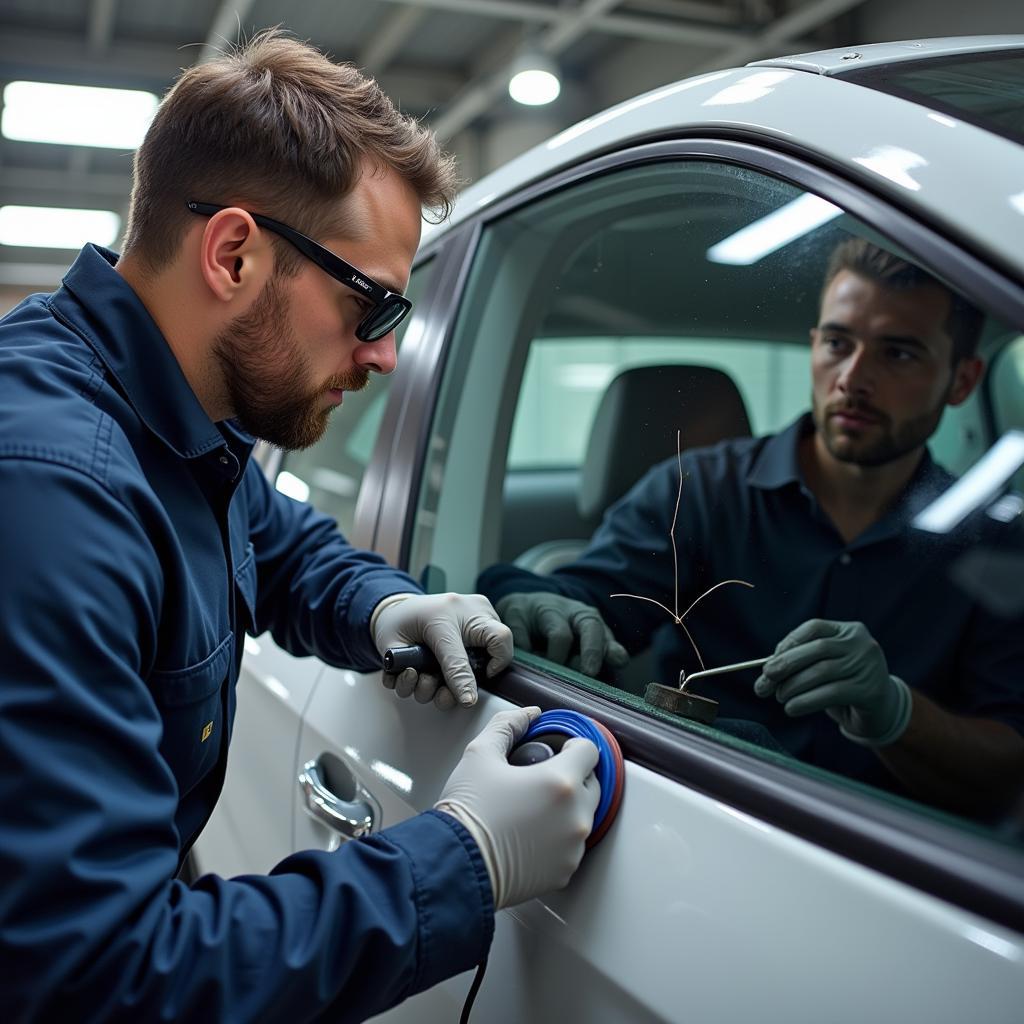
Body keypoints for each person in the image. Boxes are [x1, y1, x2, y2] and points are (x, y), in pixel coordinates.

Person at [0, 30, 601, 1023]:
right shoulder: (49, 493)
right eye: (370, 304)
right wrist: (463, 854)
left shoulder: (172, 422)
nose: (382, 358)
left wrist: (388, 605)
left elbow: (274, 539)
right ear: (234, 252)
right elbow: (93, 982)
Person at [480, 237, 1024, 815]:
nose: (853, 378)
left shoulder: (996, 543)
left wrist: (896, 712)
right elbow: (585, 599)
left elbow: (1010, 766)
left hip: (893, 865)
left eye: (900, 353)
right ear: (815, 346)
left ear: (962, 381)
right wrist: (528, 597)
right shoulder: (702, 492)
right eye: (838, 343)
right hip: (698, 823)